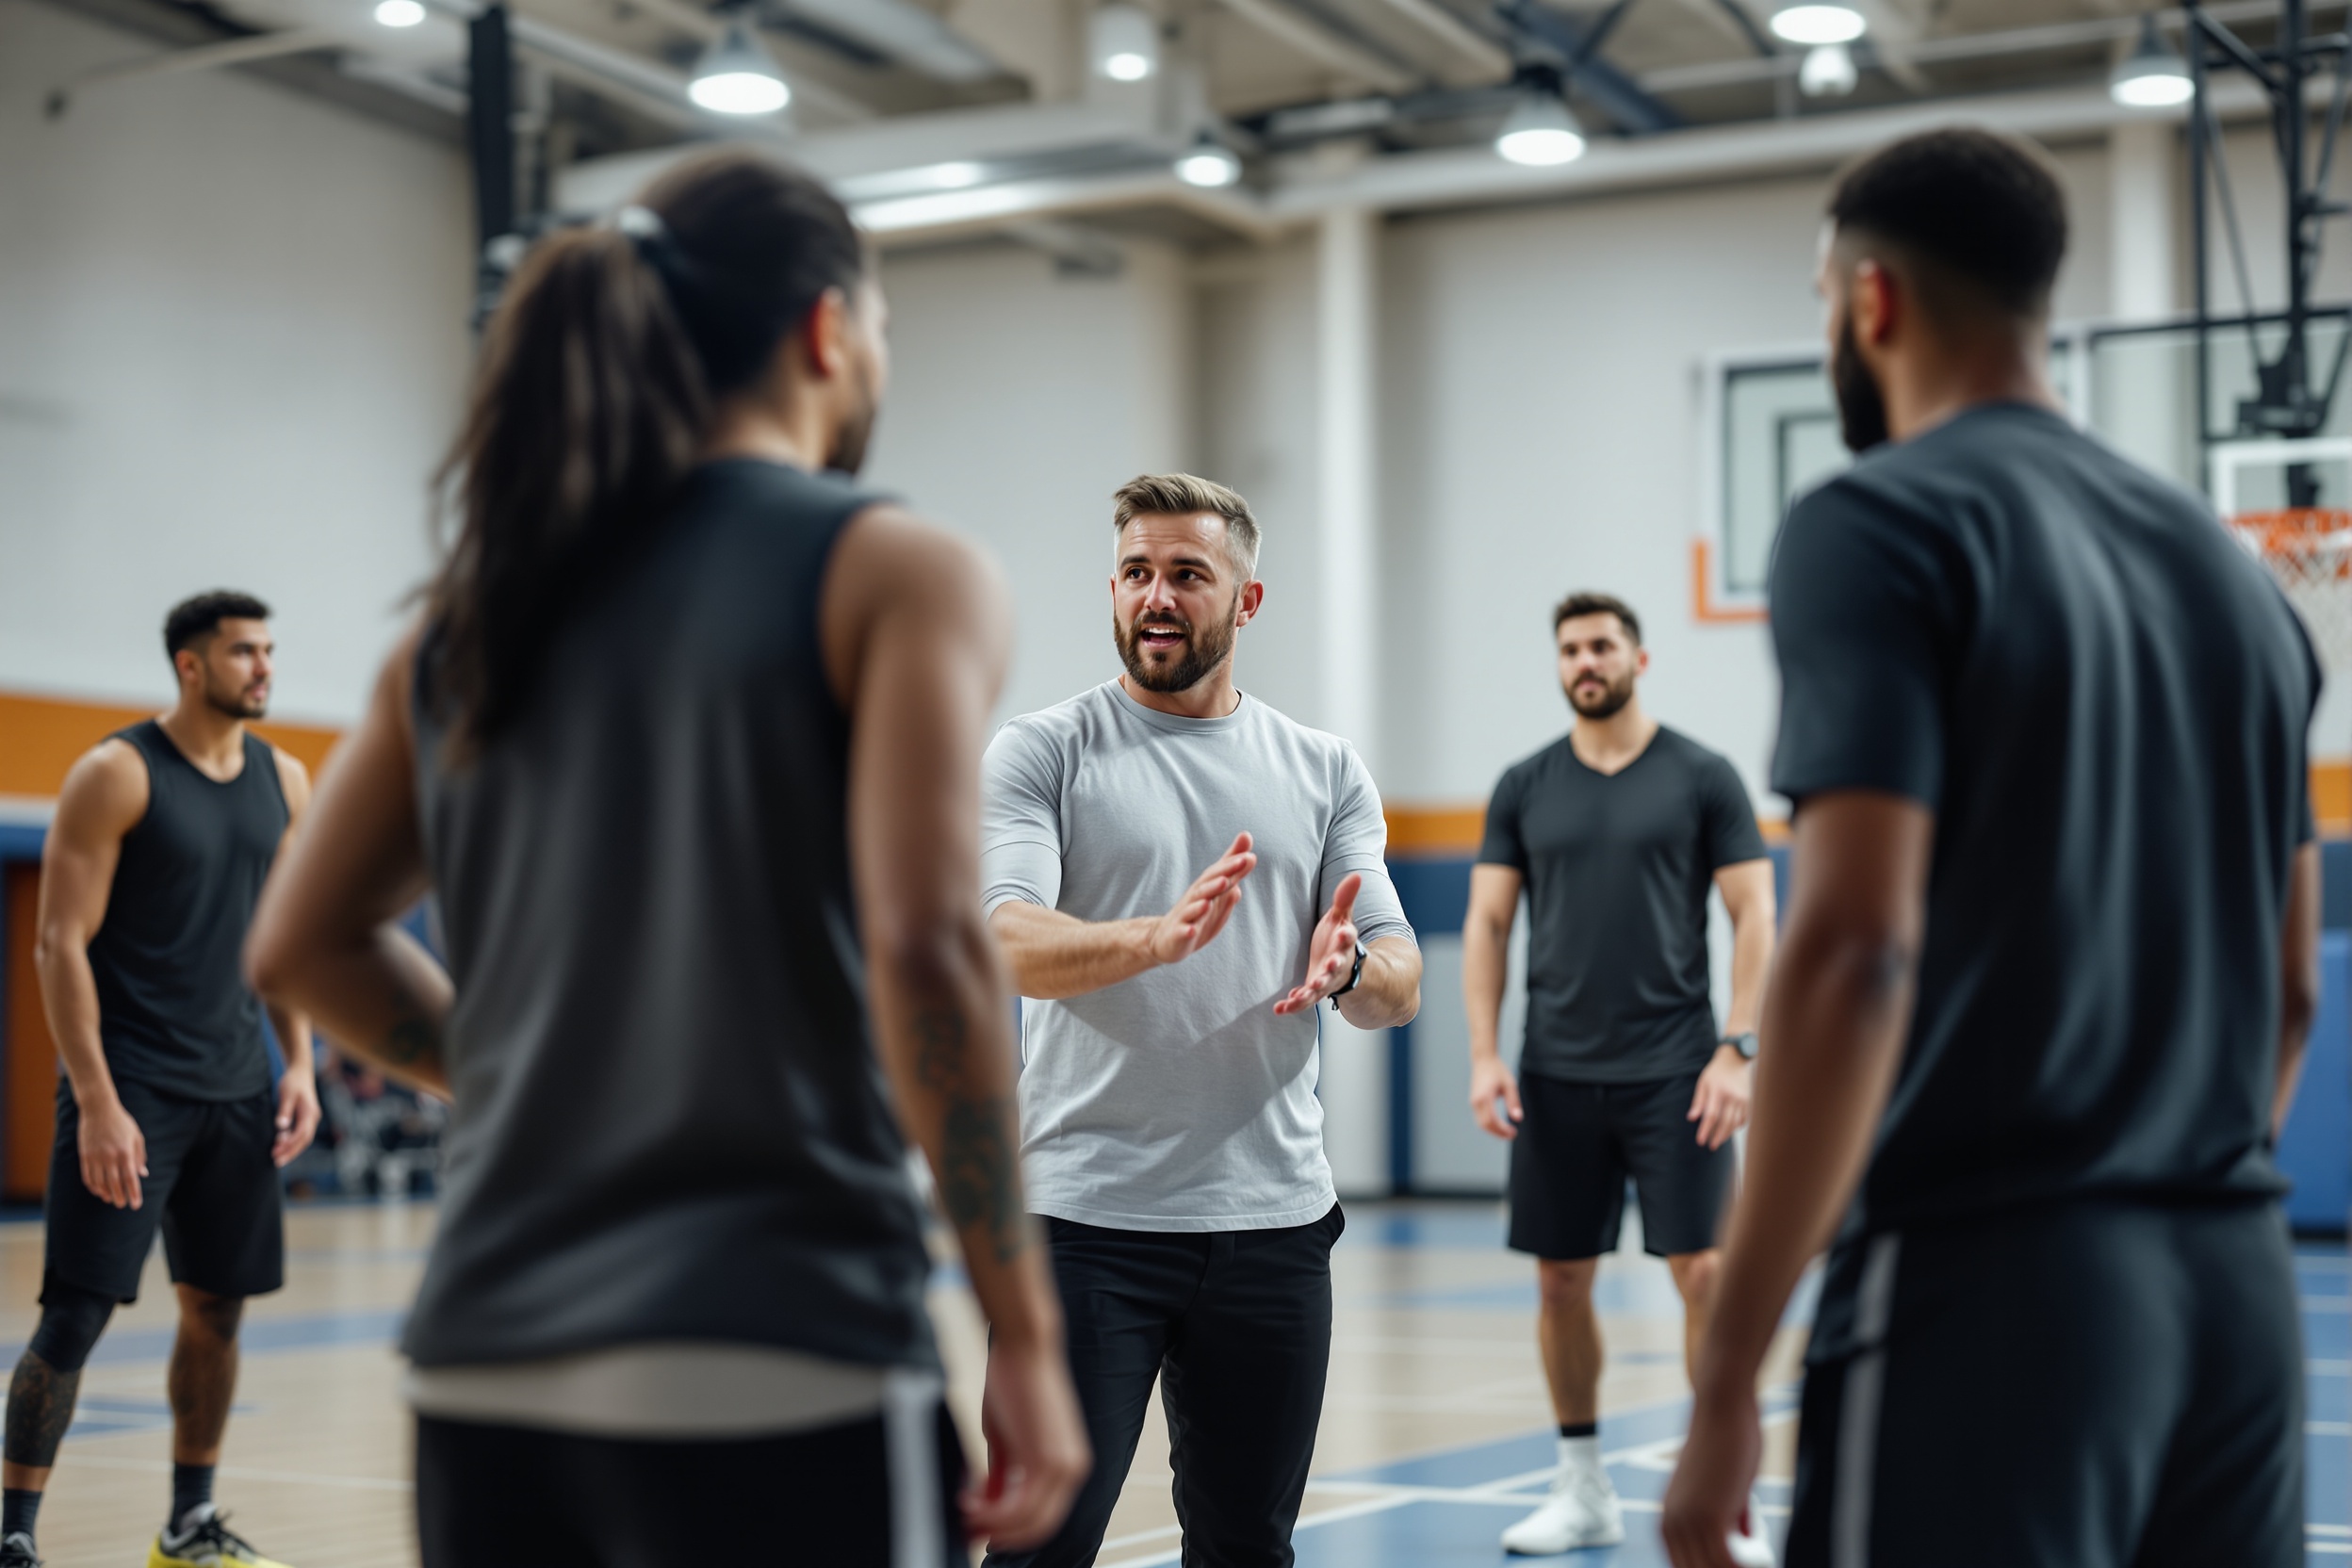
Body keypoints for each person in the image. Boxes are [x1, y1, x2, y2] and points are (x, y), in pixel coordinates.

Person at [243, 152, 1087, 1566]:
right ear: (829, 329)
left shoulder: (468, 619)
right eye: (883, 327)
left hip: (485, 1366)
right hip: (782, 1344)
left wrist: (520, 1071)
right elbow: (929, 947)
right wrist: (1024, 1326)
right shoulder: (898, 571)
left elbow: (299, 946)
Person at [1661, 128, 2325, 1568]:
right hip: (2235, 1296)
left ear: (1872, 300)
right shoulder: (2245, 588)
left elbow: (1852, 949)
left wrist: (1729, 1376)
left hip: (1996, 1290)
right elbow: (2292, 992)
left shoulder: (1878, 523)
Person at [978, 473, 1423, 1568]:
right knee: (1039, 1543)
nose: (1157, 597)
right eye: (1136, 573)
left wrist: (1350, 964)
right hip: (1083, 1226)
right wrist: (1151, 938)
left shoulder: (1323, 769)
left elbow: (1401, 977)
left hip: (1272, 1227)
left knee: (1244, 1547)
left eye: (1187, 573)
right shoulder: (1043, 750)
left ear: (1248, 599)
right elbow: (1004, 938)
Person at [1464, 592, 1777, 1561]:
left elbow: (1757, 913)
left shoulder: (1702, 775)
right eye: (1569, 648)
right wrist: (1483, 1052)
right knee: (1561, 1281)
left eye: (1601, 644)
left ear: (1640, 657)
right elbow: (1486, 925)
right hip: (1556, 1071)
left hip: (1678, 1069)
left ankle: (1726, 1495)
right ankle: (1581, 1482)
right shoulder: (1524, 784)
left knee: (1707, 1273)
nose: (1585, 660)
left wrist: (1739, 1046)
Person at [15, 591, 321, 1568]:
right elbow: (58, 943)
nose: (264, 667)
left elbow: (286, 942)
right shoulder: (116, 773)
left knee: (218, 1310)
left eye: (270, 650)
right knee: (77, 1311)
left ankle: (189, 1523)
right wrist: (97, 1098)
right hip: (132, 1086)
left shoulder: (289, 779)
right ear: (191, 665)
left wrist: (303, 1063)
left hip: (236, 1087)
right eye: (244, 652)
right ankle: (14, 1533)